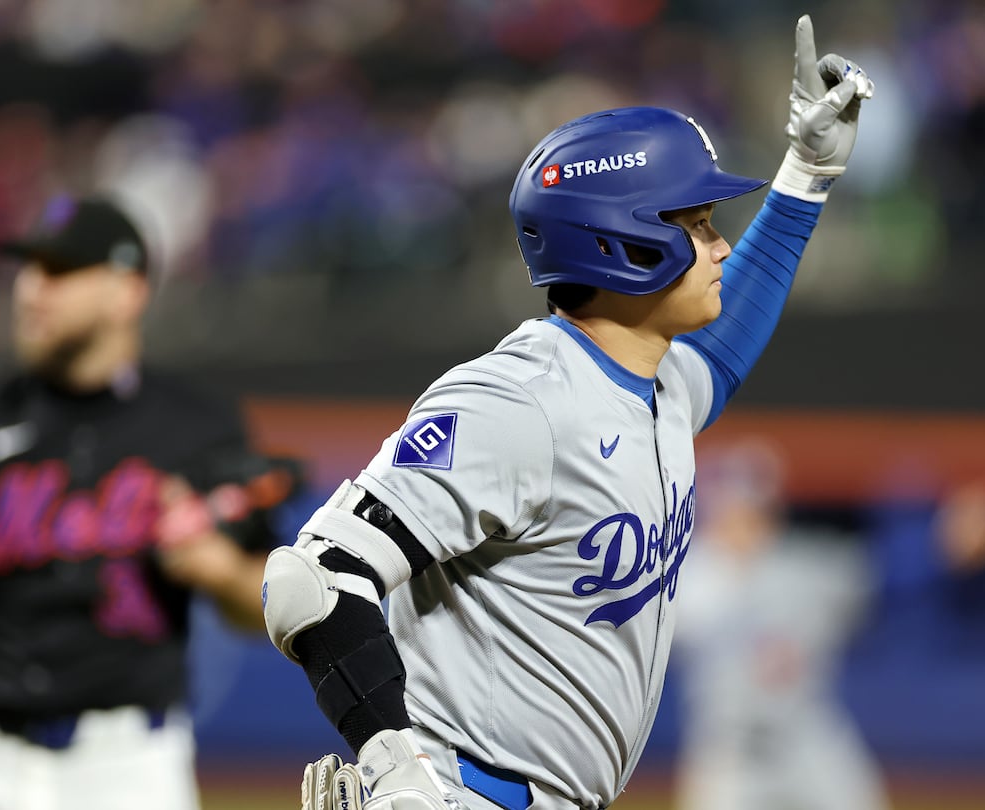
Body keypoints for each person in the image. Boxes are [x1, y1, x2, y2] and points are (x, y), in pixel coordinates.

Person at [259, 15, 874, 810]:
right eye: (696, 225)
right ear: (624, 244)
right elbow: (310, 579)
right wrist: (391, 764)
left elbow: (721, 355)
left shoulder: (656, 384)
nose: (721, 247)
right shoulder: (520, 402)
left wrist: (805, 178)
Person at [0, 195, 298, 810]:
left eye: (59, 271)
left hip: (130, 765)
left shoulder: (200, 428)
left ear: (126, 292)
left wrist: (218, 569)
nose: (33, 290)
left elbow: (261, 604)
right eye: (28, 269)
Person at [671, 439, 985, 810]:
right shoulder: (686, 582)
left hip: (809, 739)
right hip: (727, 753)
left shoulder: (801, 568)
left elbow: (884, 572)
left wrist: (942, 543)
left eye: (754, 505)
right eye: (734, 503)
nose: (742, 516)